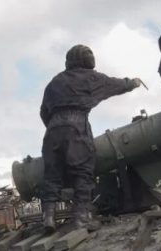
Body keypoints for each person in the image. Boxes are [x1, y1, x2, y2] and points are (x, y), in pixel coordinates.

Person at [39, 44, 142, 231]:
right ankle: (81, 219)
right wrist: (132, 83)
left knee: (52, 175)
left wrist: (57, 128)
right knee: (83, 173)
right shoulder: (90, 77)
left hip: (52, 130)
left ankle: (48, 218)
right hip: (76, 126)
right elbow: (114, 84)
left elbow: (43, 112)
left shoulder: (55, 82)